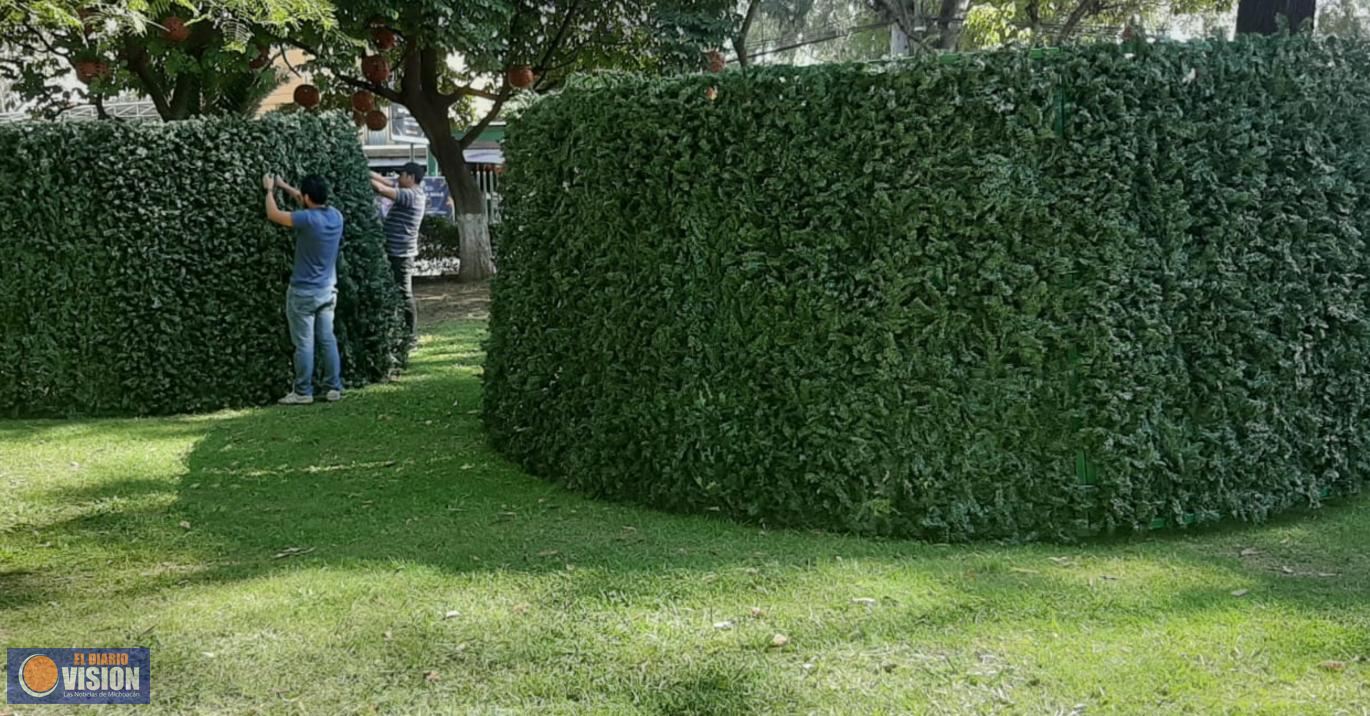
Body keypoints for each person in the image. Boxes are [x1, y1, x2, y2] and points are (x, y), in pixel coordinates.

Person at [263, 173, 344, 405]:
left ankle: (303, 391)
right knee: (327, 339)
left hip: (303, 293)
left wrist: (269, 190)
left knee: (304, 343)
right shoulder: (336, 217)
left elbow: (273, 214)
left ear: (307, 198)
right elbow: (304, 198)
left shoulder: (307, 219)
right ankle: (333, 387)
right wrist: (284, 186)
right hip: (328, 290)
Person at [370, 162, 427, 346]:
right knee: (399, 292)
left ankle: (411, 336)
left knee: (404, 293)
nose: (397, 178)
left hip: (400, 254)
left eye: (401, 175)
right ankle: (400, 330)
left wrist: (359, 172)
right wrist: (366, 169)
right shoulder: (413, 192)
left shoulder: (410, 196)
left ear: (410, 177)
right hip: (396, 251)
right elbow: (385, 181)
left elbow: (380, 188)